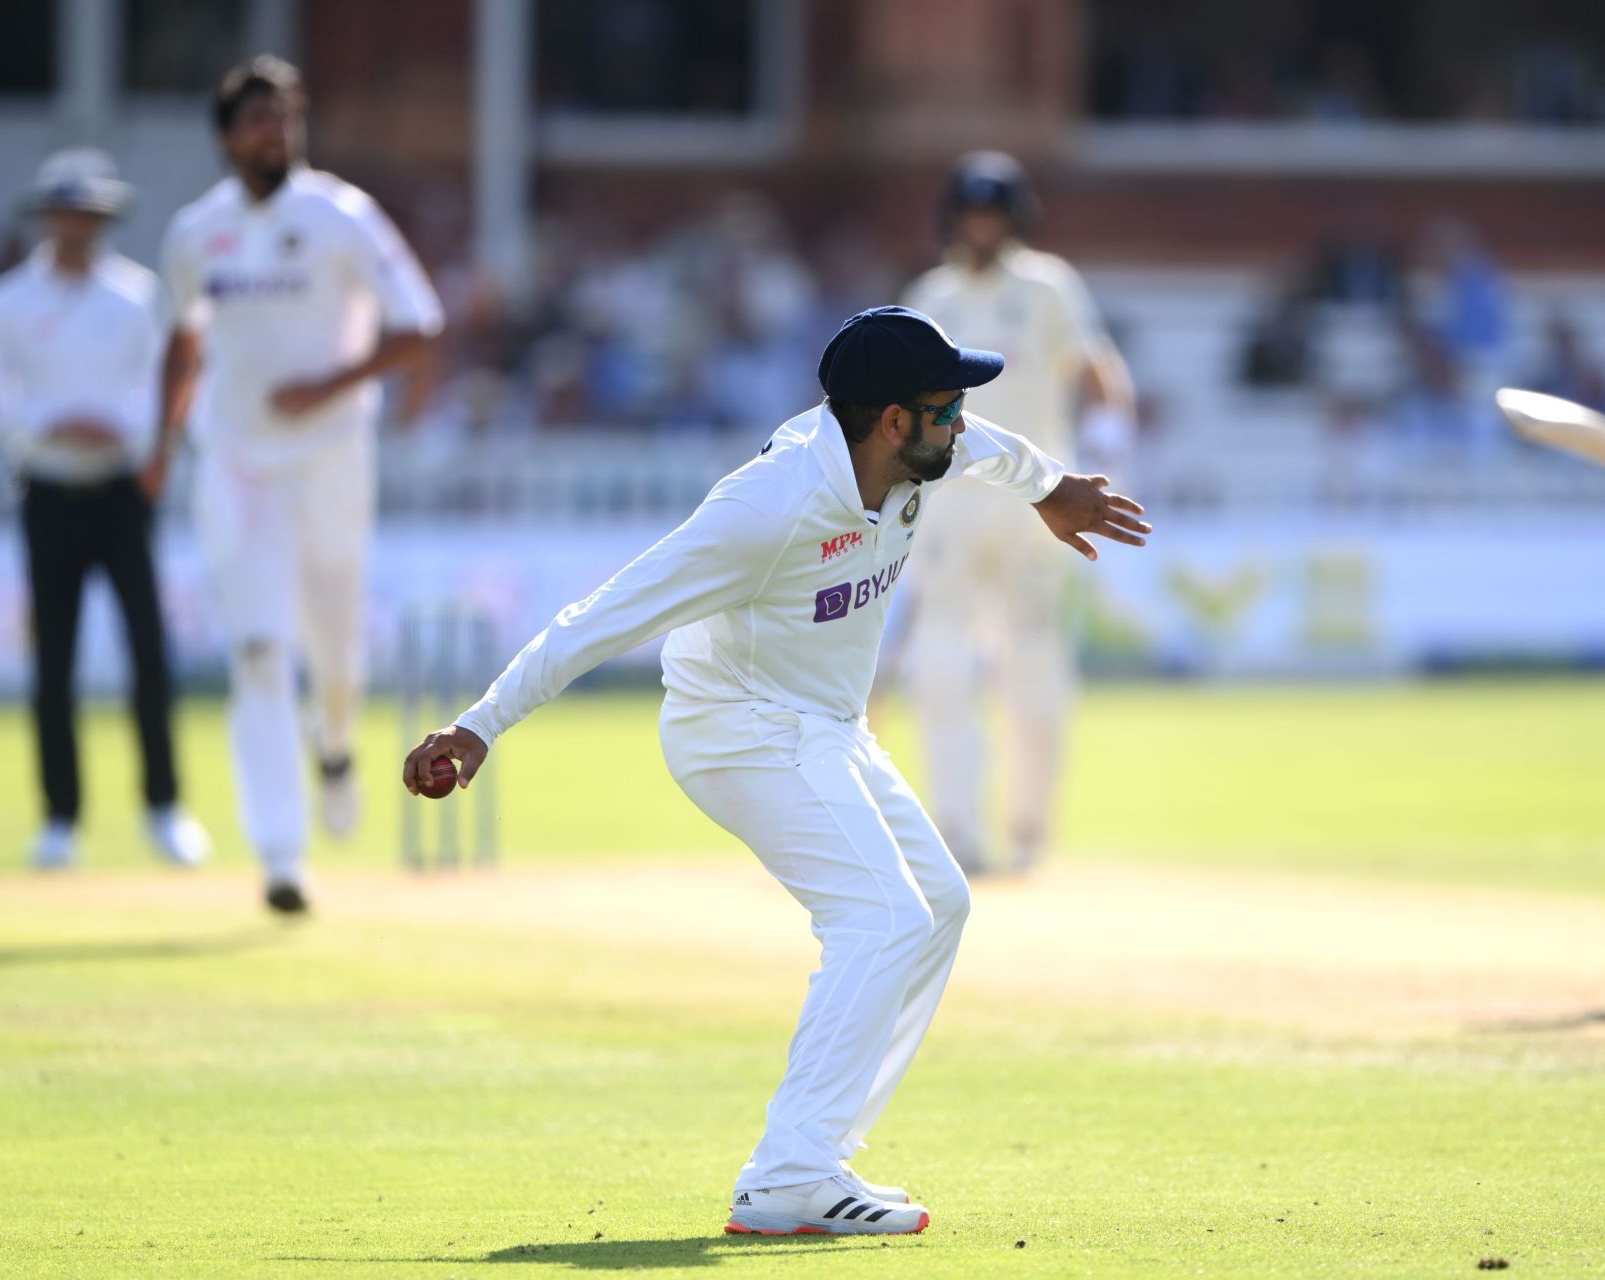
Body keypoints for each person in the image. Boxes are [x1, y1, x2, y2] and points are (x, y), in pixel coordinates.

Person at [401, 307, 1150, 1235]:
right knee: (879, 919)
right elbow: (607, 612)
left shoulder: (923, 445)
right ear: (891, 421)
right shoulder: (768, 507)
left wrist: (1050, 487)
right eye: (945, 406)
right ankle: (789, 1173)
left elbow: (990, 447)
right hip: (737, 727)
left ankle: (818, 1154)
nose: (959, 422)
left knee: (939, 907)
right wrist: (479, 726)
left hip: (825, 725)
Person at [150, 56, 444, 914]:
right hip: (236, 460)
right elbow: (184, 341)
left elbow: (420, 328)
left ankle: (338, 742)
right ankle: (280, 855)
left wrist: (331, 384)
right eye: (256, 122)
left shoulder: (340, 215)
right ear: (226, 139)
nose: (273, 134)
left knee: (333, 644)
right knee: (258, 649)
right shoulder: (196, 232)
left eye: (284, 119)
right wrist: (163, 438)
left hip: (330, 456)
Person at [900, 152, 1138, 874]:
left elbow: (1099, 370)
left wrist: (1108, 437)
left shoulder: (1046, 287)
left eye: (993, 216)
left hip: (1039, 501)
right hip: (945, 506)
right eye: (971, 215)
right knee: (940, 665)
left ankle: (1029, 831)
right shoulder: (930, 298)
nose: (981, 228)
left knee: (1033, 665)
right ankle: (960, 834)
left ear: (1014, 222)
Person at [0, 149, 211, 871]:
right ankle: (60, 818)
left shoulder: (139, 296)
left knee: (148, 650)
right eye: (64, 213)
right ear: (46, 217)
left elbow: (167, 379)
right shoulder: (12, 300)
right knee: (55, 658)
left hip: (121, 489)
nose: (76, 226)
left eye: (88, 214)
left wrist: (139, 440)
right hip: (47, 489)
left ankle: (165, 808)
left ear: (103, 219)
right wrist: (41, 428)